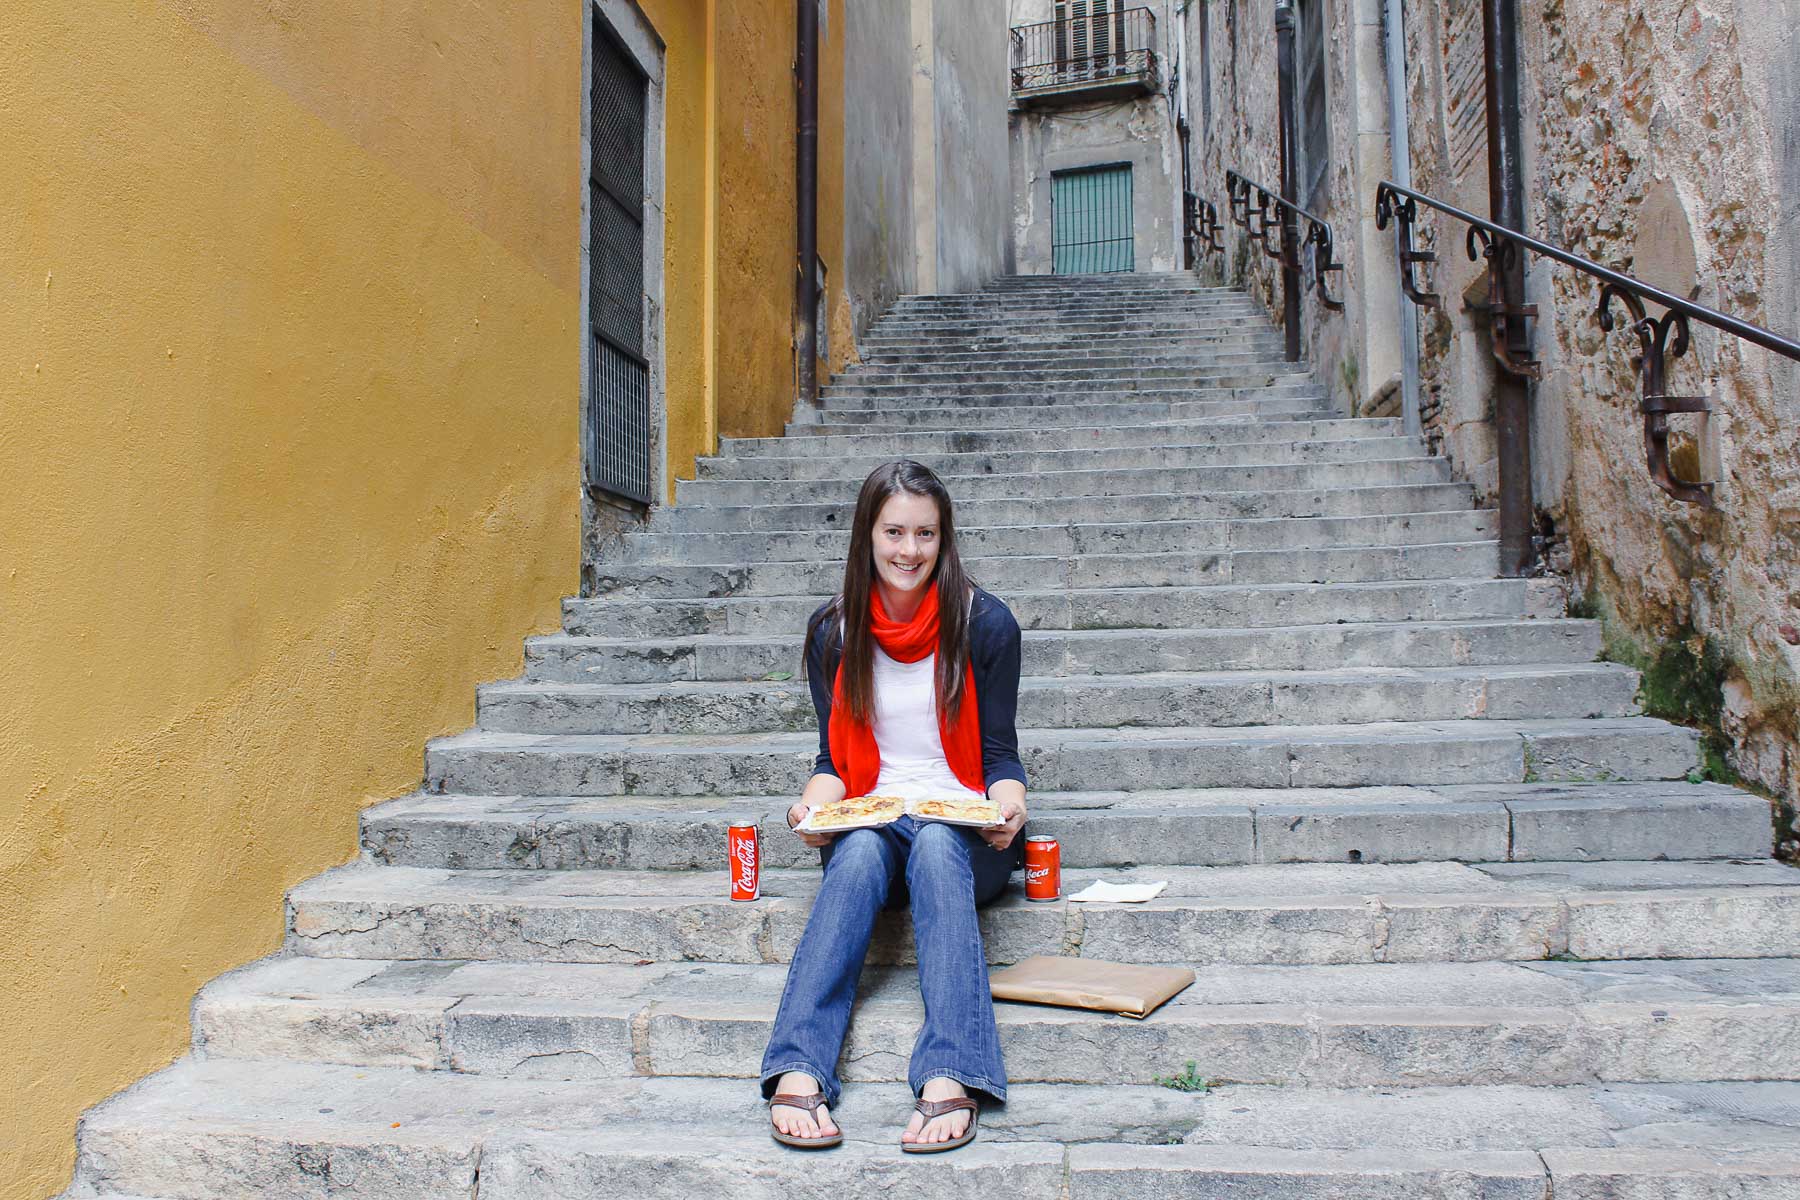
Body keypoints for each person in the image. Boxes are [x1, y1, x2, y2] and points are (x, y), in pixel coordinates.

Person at [760, 459, 1029, 1155]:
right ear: (867, 535)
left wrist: (1010, 808)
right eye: (895, 532)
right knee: (857, 847)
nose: (910, 551)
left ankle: (952, 1071)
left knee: (938, 842)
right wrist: (810, 812)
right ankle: (798, 1062)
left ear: (945, 540)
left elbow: (999, 755)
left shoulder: (985, 624)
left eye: (926, 534)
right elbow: (830, 761)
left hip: (963, 837)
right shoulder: (833, 632)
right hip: (874, 821)